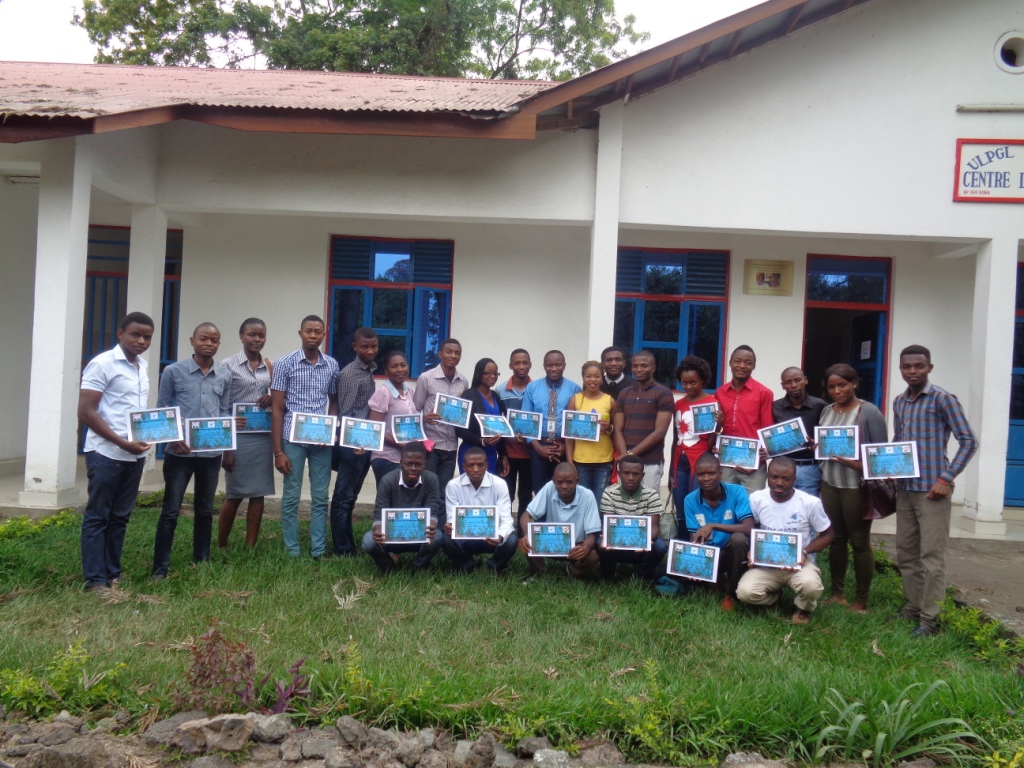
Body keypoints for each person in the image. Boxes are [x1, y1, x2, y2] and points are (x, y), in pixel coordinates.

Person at [893, 345, 978, 637]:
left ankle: (930, 620)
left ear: (930, 367)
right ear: (900, 369)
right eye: (907, 367)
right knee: (906, 554)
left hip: (933, 491)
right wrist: (886, 470)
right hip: (905, 490)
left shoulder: (943, 399)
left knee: (931, 557)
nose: (912, 371)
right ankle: (912, 609)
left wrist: (946, 478)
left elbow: (968, 441)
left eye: (918, 366)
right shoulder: (899, 402)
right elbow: (897, 442)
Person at [78, 312, 155, 592]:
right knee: (99, 516)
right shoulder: (102, 364)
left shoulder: (141, 366)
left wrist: (151, 433)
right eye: (135, 334)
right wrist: (122, 443)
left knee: (121, 516)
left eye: (147, 336)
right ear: (120, 333)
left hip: (133, 455)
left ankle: (112, 574)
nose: (141, 340)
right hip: (106, 454)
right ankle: (95, 581)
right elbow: (86, 412)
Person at [151, 322, 232, 578]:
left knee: (205, 510)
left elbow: (224, 412)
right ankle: (160, 567)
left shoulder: (224, 375)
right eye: (204, 339)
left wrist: (227, 446)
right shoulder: (173, 372)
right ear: (192, 341)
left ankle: (202, 560)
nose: (209, 344)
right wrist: (172, 438)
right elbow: (162, 409)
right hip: (180, 454)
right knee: (171, 510)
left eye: (214, 340)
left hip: (210, 455)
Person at [818, 364, 888, 613]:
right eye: (831, 387)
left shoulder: (868, 412)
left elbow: (880, 458)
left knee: (859, 542)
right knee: (836, 540)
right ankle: (837, 593)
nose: (837, 391)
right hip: (829, 484)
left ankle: (861, 600)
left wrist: (855, 463)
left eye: (842, 385)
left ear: (854, 383)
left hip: (855, 486)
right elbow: (824, 445)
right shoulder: (826, 411)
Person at [271, 315, 339, 559]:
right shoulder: (284, 364)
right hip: (293, 440)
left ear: (324, 334)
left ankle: (318, 549)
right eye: (308, 331)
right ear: (300, 333)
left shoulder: (332, 364)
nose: (313, 336)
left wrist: (329, 429)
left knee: (321, 498)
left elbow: (333, 401)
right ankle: (292, 550)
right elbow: (277, 409)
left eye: (317, 332)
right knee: (291, 496)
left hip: (321, 442)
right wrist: (278, 451)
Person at [736, 456, 834, 624]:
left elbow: (828, 534)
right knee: (745, 592)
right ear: (768, 476)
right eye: (774, 477)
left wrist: (804, 552)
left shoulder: (809, 503)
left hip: (798, 563)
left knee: (811, 586)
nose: (779, 482)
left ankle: (803, 608)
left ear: (795, 479)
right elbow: (752, 528)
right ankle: (773, 599)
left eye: (786, 478)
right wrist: (753, 550)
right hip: (766, 563)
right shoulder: (757, 499)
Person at [216, 318, 275, 551]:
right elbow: (220, 403)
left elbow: (277, 397)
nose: (256, 339)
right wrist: (227, 444)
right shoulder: (227, 365)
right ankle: (222, 544)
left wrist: (271, 397)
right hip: (237, 435)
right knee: (234, 493)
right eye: (252, 335)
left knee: (258, 493)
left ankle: (250, 546)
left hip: (262, 435)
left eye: (261, 335)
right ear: (241, 336)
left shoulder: (269, 366)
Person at [681, 453, 754, 611]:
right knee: (672, 570)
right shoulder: (690, 500)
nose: (706, 478)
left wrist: (713, 525)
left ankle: (732, 593)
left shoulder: (738, 492)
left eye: (711, 473)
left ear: (720, 474)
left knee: (739, 539)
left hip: (734, 553)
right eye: (701, 474)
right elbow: (695, 538)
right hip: (710, 554)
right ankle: (715, 579)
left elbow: (749, 528)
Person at [329, 327, 379, 557]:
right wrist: (354, 442)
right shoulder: (349, 374)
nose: (370, 351)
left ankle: (349, 546)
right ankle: (342, 549)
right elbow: (345, 413)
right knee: (342, 497)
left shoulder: (369, 370)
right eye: (365, 347)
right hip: (353, 444)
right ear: (354, 347)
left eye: (374, 346)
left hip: (366, 441)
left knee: (351, 497)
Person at [362, 441, 443, 573]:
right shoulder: (388, 480)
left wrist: (432, 524)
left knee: (438, 537)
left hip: (420, 534)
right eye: (408, 463)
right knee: (368, 541)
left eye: (418, 464)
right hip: (391, 535)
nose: (413, 468)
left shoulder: (431, 479)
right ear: (400, 463)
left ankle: (418, 566)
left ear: (425, 464)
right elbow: (379, 512)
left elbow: (433, 508)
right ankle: (387, 565)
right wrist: (378, 529)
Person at [441, 446, 518, 573]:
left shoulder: (499, 484)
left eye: (480, 465)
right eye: (471, 465)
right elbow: (451, 519)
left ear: (487, 465)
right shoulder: (453, 486)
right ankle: (466, 565)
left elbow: (506, 519)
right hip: (465, 538)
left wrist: (499, 536)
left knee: (511, 540)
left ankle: (494, 566)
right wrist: (450, 526)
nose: (475, 469)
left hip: (492, 538)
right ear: (463, 466)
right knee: (447, 538)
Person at [519, 462, 601, 578]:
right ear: (553, 481)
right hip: (550, 543)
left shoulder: (587, 496)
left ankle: (573, 571)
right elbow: (525, 516)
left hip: (575, 546)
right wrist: (528, 534)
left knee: (592, 556)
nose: (564, 486)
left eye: (569, 482)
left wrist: (585, 547)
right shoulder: (549, 488)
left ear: (577, 481)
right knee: (527, 541)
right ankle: (539, 571)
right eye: (559, 482)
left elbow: (592, 534)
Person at [597, 454, 667, 583]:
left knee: (660, 546)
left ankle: (640, 574)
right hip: (617, 545)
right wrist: (610, 539)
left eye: (636, 474)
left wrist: (646, 540)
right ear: (619, 474)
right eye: (626, 473)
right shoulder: (609, 492)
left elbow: (654, 527)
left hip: (640, 546)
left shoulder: (651, 495)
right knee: (599, 542)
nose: (631, 478)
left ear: (642, 475)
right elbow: (608, 524)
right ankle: (609, 573)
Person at [520, 350, 581, 493]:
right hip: (539, 447)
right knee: (540, 492)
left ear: (564, 365)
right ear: (544, 366)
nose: (554, 369)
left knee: (564, 493)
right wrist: (538, 447)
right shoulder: (532, 387)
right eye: (550, 365)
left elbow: (577, 423)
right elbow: (526, 421)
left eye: (558, 365)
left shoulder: (575, 389)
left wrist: (566, 447)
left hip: (564, 448)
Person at [612, 350, 674, 491]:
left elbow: (659, 432)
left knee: (648, 506)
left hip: (650, 462)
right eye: (635, 366)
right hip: (626, 464)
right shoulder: (624, 393)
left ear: (653, 368)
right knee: (625, 506)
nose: (639, 369)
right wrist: (625, 457)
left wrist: (630, 455)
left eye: (644, 366)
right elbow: (618, 429)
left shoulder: (663, 393)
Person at [714, 345, 773, 492]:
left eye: (748, 362)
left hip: (753, 465)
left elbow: (767, 429)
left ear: (753, 366)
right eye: (737, 361)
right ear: (730, 363)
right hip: (726, 462)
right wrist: (715, 444)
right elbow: (717, 427)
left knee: (752, 506)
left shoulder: (764, 393)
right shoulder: (720, 393)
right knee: (727, 505)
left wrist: (761, 457)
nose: (742, 366)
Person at [412, 338, 469, 490]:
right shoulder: (426, 378)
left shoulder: (463, 381)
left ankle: (441, 515)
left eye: (457, 353)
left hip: (451, 445)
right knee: (427, 488)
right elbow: (414, 410)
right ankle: (429, 515)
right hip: (431, 444)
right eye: (449, 352)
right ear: (440, 354)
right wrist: (425, 418)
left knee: (445, 490)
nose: (453, 356)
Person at [671, 355, 720, 511]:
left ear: (702, 380)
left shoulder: (711, 403)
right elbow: (676, 436)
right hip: (680, 459)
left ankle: (696, 535)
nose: (689, 387)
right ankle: (681, 535)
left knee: (696, 502)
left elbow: (712, 439)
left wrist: (718, 424)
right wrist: (671, 467)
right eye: (684, 383)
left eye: (693, 382)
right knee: (679, 502)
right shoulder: (679, 403)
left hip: (700, 459)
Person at [565, 360, 617, 497]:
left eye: (597, 376)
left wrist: (609, 427)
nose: (592, 380)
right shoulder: (575, 400)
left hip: (604, 460)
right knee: (583, 500)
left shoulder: (609, 401)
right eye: (588, 376)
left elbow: (617, 430)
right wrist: (570, 462)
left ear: (602, 378)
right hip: (581, 461)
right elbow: (569, 435)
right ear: (583, 378)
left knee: (601, 501)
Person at [772, 367, 826, 497]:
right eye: (788, 382)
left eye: (797, 380)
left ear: (805, 380)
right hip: (782, 468)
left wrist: (819, 444)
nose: (794, 385)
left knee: (807, 508)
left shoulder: (821, 406)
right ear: (783, 385)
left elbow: (827, 435)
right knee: (781, 507)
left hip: (810, 468)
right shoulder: (774, 407)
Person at [367, 350, 418, 485]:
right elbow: (374, 428)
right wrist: (399, 444)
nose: (400, 370)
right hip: (386, 457)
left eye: (403, 365)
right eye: (394, 366)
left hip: (404, 457)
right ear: (386, 371)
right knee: (387, 501)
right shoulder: (384, 393)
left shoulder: (409, 392)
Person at [495, 348, 533, 519]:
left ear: (530, 365)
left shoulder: (536, 389)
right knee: (507, 494)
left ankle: (522, 533)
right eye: (517, 363)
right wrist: (501, 452)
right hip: (508, 452)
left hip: (531, 452)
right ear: (510, 365)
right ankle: (507, 529)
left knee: (526, 494)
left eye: (525, 362)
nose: (521, 366)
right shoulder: (500, 390)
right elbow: (498, 421)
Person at [455, 358, 509, 476]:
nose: (493, 376)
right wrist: (482, 441)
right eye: (488, 372)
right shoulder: (467, 395)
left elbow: (500, 429)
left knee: (488, 492)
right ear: (479, 373)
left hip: (491, 455)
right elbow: (459, 430)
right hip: (471, 454)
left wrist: (503, 455)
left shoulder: (496, 397)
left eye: (495, 373)